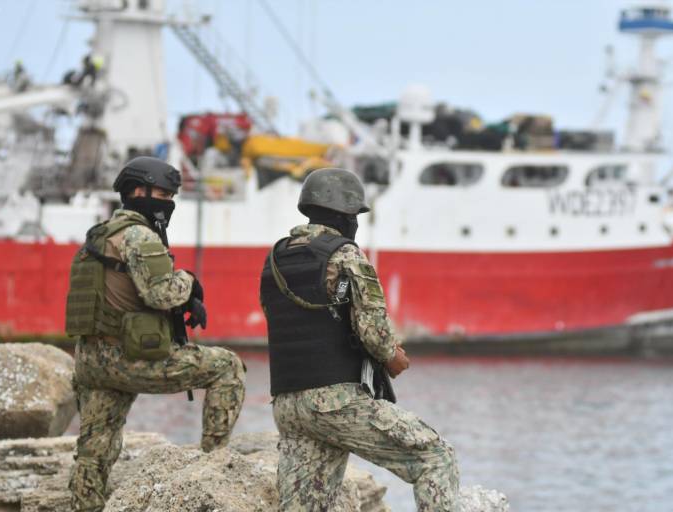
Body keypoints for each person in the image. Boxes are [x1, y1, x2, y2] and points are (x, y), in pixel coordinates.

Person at [259, 168, 459, 511]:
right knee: (434, 457)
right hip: (336, 402)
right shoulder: (345, 254)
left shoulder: (275, 258)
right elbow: (373, 330)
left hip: (288, 404)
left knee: (303, 506)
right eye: (353, 216)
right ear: (344, 215)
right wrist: (392, 356)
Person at [65, 156, 246, 512]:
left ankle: (85, 506)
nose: (168, 201)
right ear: (138, 191)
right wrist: (191, 284)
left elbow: (122, 296)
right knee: (228, 367)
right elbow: (161, 293)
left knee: (94, 448)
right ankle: (213, 464)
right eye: (163, 193)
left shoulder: (96, 238)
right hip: (127, 359)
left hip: (90, 362)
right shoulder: (139, 236)